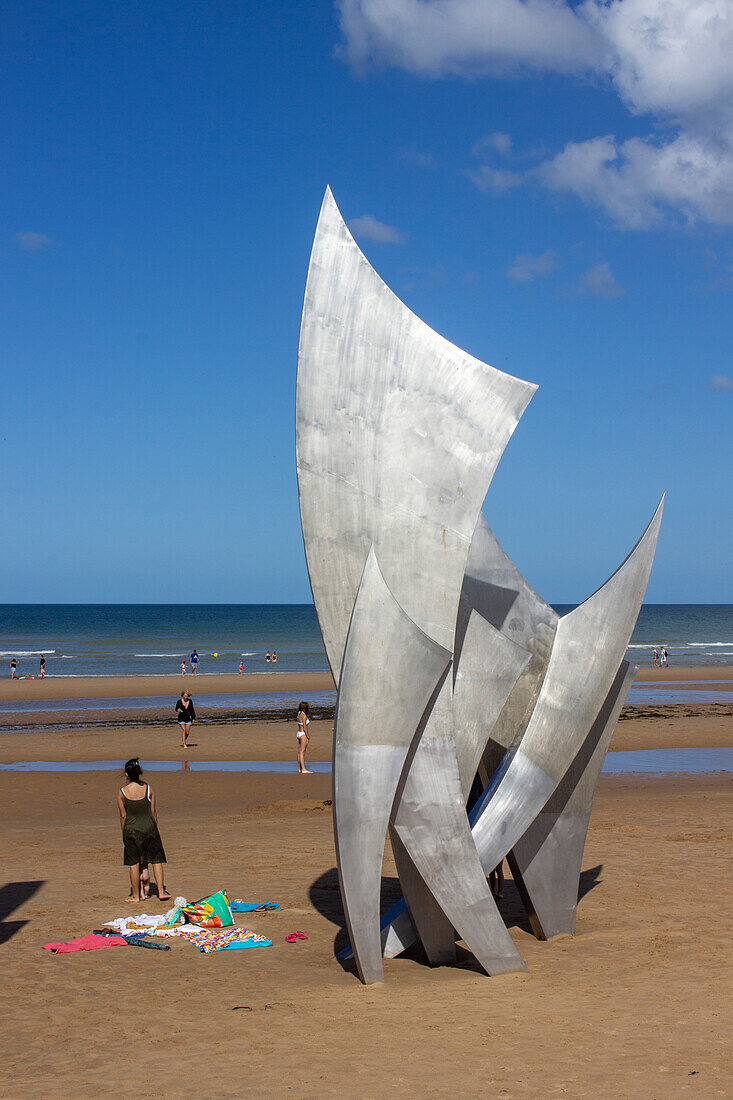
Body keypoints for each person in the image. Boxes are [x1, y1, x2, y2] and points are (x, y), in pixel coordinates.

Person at [117, 758, 170, 904]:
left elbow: (123, 815)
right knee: (156, 860)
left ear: (126, 775)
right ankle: (161, 891)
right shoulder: (148, 789)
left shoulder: (122, 792)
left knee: (134, 863)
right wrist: (155, 827)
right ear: (140, 773)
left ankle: (135, 895)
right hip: (149, 827)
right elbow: (153, 812)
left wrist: (124, 831)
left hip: (131, 829)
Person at [296, 701, 312, 774]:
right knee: (302, 752)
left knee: (299, 752)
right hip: (303, 734)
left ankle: (300, 768)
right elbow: (305, 728)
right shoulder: (304, 715)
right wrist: (308, 736)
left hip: (299, 733)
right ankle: (304, 769)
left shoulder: (299, 714)